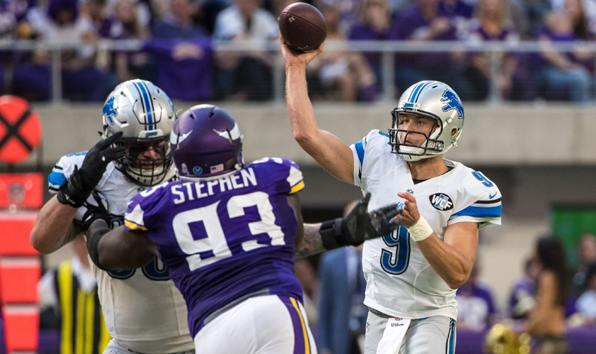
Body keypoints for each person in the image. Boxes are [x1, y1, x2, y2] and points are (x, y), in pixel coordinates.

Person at [80, 103, 402, 353]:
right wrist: (342, 232)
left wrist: (91, 219)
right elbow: (291, 241)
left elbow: (108, 255)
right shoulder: (270, 177)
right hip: (274, 306)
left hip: (213, 328)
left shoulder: (160, 203)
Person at [282, 39, 503, 353]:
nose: (407, 128)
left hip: (430, 317)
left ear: (448, 130)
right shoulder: (378, 153)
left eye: (420, 121)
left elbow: (458, 272)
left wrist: (419, 226)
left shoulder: (467, 187)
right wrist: (295, 66)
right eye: (404, 119)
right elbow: (307, 134)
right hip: (378, 313)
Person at [30, 79, 195, 354]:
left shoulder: (192, 167)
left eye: (158, 144)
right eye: (137, 147)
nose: (151, 154)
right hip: (128, 346)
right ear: (112, 140)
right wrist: (77, 187)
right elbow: (41, 241)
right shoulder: (92, 176)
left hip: (201, 339)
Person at [38, 235, 110, 353]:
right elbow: (29, 303)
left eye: (89, 240)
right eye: (80, 240)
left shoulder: (110, 274)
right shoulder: (59, 274)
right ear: (73, 243)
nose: (85, 246)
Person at [318, 199, 368, 354]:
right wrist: (324, 346)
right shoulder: (331, 260)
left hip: (370, 334)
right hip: (341, 338)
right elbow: (325, 304)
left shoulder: (378, 256)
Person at [522, 236, 570, 354]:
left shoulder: (547, 277)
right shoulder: (559, 276)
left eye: (536, 250)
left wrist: (524, 331)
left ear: (543, 253)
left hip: (550, 342)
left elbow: (543, 312)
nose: (533, 254)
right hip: (559, 339)